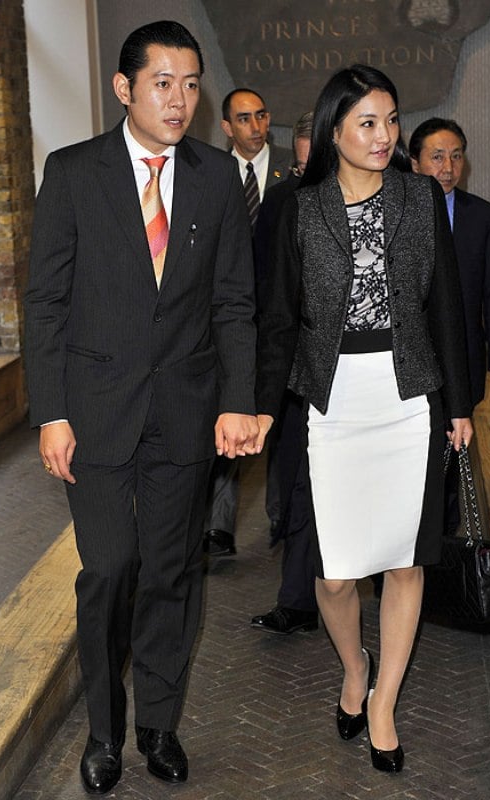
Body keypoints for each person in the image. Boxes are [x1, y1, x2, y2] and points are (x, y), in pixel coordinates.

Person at [24, 21, 258, 795]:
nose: (179, 100)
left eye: (190, 84)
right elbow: (46, 301)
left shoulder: (216, 178)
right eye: (163, 83)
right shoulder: (73, 172)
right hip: (93, 411)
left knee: (170, 571)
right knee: (109, 568)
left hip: (185, 410)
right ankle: (103, 730)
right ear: (124, 88)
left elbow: (233, 301)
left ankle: (157, 724)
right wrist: (51, 413)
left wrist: (237, 400)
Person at [255, 65, 473, 774]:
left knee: (405, 562)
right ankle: (354, 666)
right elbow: (279, 318)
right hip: (335, 399)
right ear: (334, 131)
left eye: (391, 119)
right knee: (337, 575)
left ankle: (382, 704)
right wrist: (262, 409)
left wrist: (459, 405)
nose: (385, 135)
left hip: (408, 396)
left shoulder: (419, 195)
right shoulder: (300, 207)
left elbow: (446, 305)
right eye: (368, 123)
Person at [204, 88, 292, 558]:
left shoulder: (292, 171)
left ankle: (282, 516)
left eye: (261, 116)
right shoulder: (211, 174)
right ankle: (218, 526)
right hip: (228, 316)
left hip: (280, 313)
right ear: (226, 127)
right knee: (230, 410)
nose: (255, 127)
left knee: (277, 413)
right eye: (243, 119)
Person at [251, 111, 319, 635]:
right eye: (298, 167)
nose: (304, 176)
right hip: (296, 374)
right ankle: (297, 600)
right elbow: (263, 289)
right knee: (300, 486)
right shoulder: (281, 203)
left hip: (359, 377)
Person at [409, 117, 490, 408]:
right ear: (415, 163)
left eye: (456, 156)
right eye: (437, 157)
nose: (448, 168)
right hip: (411, 355)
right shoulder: (397, 214)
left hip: (465, 352)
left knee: (460, 431)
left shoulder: (485, 217)